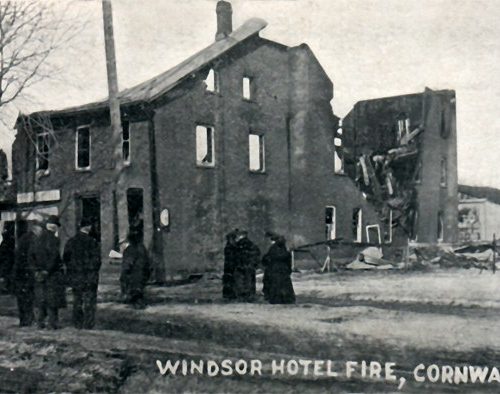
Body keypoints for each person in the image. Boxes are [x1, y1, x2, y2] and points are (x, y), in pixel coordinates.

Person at [28, 215, 67, 329]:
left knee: (40, 298)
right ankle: (52, 323)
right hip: (51, 274)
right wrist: (47, 270)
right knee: (52, 299)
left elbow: (30, 256)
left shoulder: (36, 239)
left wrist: (35, 270)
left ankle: (39, 323)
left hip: (38, 274)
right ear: (55, 228)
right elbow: (54, 257)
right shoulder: (55, 240)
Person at [63, 218, 102, 329]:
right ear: (88, 227)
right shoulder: (92, 242)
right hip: (89, 276)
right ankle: (88, 324)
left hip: (76, 276)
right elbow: (97, 261)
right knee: (89, 301)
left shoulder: (71, 242)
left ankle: (77, 323)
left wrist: (72, 270)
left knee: (77, 300)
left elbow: (66, 258)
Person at [11, 220, 43, 327]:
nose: (41, 232)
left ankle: (24, 320)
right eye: (41, 230)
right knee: (29, 297)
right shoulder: (33, 239)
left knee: (22, 297)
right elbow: (32, 256)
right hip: (27, 272)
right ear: (36, 229)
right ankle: (28, 319)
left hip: (20, 272)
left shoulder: (23, 238)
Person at [262, 232, 296, 304]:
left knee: (276, 287)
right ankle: (285, 299)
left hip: (274, 270)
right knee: (284, 286)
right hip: (283, 270)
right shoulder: (283, 249)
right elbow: (286, 259)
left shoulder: (274, 248)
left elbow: (270, 257)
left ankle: (276, 299)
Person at [120, 229, 150, 309]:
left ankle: (136, 301)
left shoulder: (130, 250)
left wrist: (124, 274)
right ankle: (139, 301)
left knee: (134, 289)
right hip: (142, 273)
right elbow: (148, 262)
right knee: (139, 289)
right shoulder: (142, 248)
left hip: (133, 274)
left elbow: (127, 264)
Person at [232, 230, 260, 302]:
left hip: (240, 266)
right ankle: (250, 296)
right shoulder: (252, 244)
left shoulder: (237, 245)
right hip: (249, 266)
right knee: (249, 281)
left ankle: (242, 296)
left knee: (240, 281)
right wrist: (254, 264)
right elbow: (257, 253)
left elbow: (235, 255)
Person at [222, 229, 237, 301]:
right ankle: (229, 294)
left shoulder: (229, 246)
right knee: (230, 280)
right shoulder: (230, 247)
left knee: (229, 280)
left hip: (229, 266)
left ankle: (229, 294)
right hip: (230, 266)